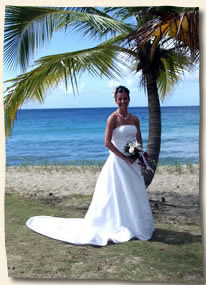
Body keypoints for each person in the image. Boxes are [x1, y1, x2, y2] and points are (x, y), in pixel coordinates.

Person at [26, 86, 155, 246]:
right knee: (117, 195)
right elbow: (107, 142)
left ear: (129, 99)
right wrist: (123, 157)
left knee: (134, 192)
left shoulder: (135, 119)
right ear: (116, 100)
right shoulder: (112, 118)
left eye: (125, 98)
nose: (122, 101)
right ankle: (117, 224)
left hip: (132, 162)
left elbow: (139, 141)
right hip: (118, 163)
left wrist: (134, 154)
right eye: (119, 98)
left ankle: (137, 225)